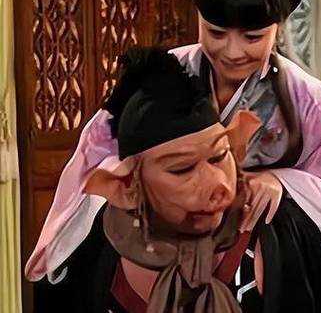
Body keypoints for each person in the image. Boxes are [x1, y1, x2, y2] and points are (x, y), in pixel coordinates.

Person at [26, 0, 321, 312]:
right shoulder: (166, 74)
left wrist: (282, 181)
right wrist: (154, 178)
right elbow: (98, 153)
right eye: (216, 32)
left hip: (262, 230)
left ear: (279, 28)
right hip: (159, 223)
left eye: (252, 37)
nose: (232, 51)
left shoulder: (305, 95)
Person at [30, 46, 260, 312]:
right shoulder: (90, 257)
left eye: (219, 157)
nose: (217, 184)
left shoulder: (269, 235)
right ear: (126, 186)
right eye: (182, 169)